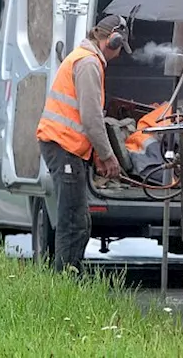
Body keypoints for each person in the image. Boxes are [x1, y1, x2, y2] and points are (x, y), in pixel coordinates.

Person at [35, 14, 131, 274]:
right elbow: (91, 118)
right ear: (113, 40)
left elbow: (83, 119)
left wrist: (95, 155)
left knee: (78, 219)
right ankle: (66, 280)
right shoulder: (89, 63)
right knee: (72, 220)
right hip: (62, 146)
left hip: (67, 147)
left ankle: (69, 275)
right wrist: (108, 156)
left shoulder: (86, 59)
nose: (119, 54)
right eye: (120, 47)